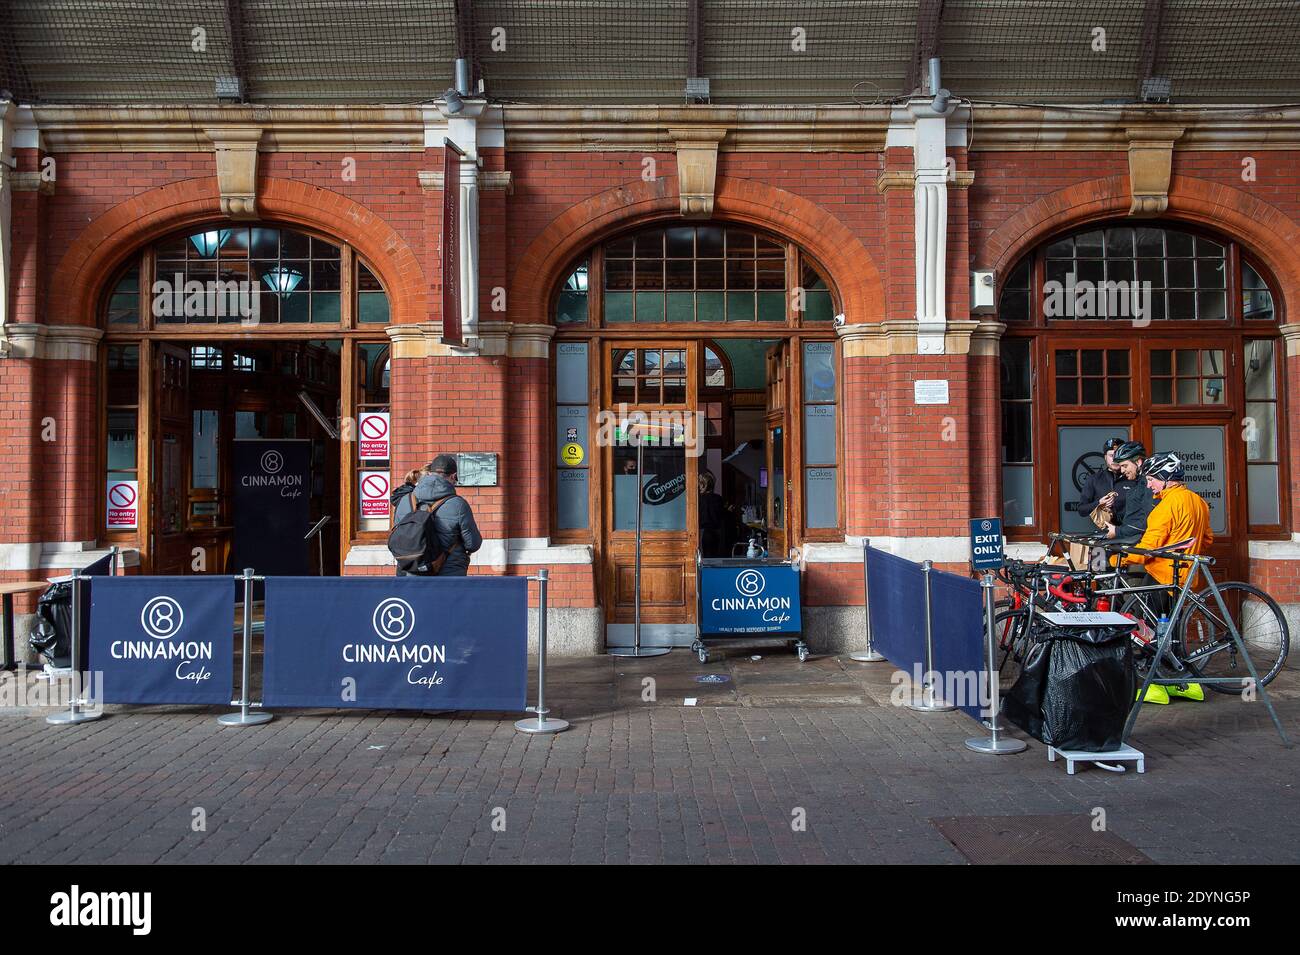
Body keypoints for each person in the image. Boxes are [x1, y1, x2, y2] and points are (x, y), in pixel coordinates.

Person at [1121, 452, 1213, 703]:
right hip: (1185, 580)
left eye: (1152, 479)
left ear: (1165, 478)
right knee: (1169, 632)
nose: (1149, 484)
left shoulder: (1165, 507)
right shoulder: (1199, 502)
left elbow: (1147, 548)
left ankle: (1153, 685)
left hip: (1160, 576)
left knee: (1145, 630)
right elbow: (1207, 540)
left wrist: (1118, 559)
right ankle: (1182, 683)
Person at [412, 454, 482, 577]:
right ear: (453, 476)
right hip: (449, 572)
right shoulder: (458, 504)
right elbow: (473, 544)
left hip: (413, 569)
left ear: (429, 473)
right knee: (450, 597)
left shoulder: (406, 500)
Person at [1076, 437, 1136, 527]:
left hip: (1131, 534)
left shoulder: (1133, 477)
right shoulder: (1094, 479)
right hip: (1105, 535)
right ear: (1105, 457)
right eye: (1111, 456)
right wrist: (1099, 503)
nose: (1115, 459)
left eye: (1118, 455)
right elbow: (1081, 510)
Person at [1105, 441, 1157, 545]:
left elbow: (1148, 522)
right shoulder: (1138, 483)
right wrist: (1111, 513)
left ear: (1138, 462)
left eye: (1125, 465)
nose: (1122, 470)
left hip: (1139, 546)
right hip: (1129, 541)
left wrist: (1117, 531)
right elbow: (1134, 515)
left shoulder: (1149, 484)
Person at [698, 470, 728, 558]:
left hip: (703, 533)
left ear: (704, 485)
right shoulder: (718, 499)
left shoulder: (699, 500)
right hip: (718, 534)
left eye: (700, 483)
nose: (698, 486)